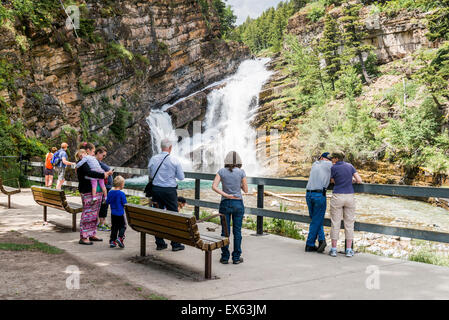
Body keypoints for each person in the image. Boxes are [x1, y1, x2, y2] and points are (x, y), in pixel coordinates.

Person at [147, 138, 185, 251]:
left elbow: (150, 173)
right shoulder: (174, 160)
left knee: (158, 216)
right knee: (173, 216)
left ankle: (160, 243)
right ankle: (175, 244)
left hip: (156, 191)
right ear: (170, 148)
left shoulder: (153, 159)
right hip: (169, 191)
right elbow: (181, 177)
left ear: (161, 147)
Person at [212, 151, 248, 265]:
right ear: (239, 161)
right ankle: (236, 257)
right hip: (238, 204)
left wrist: (225, 194)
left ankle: (225, 257)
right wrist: (239, 184)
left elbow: (214, 186)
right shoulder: (241, 172)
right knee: (237, 231)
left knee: (225, 231)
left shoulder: (221, 171)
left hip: (225, 203)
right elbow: (246, 190)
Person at [75, 146, 113, 245]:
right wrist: (103, 175)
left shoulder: (91, 161)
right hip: (87, 191)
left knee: (94, 214)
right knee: (87, 214)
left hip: (97, 191)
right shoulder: (83, 163)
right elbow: (89, 173)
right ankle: (84, 236)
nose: (93, 153)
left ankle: (91, 233)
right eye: (92, 151)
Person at [329, 151, 363, 258]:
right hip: (349, 196)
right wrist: (350, 180)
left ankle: (334, 249)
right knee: (349, 223)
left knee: (335, 222)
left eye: (332, 158)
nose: (331, 160)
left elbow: (332, 180)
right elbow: (359, 180)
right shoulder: (350, 166)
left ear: (336, 158)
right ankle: (348, 250)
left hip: (338, 196)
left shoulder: (333, 168)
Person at [305, 152, 332, 253]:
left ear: (321, 157)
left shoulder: (315, 164)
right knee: (316, 220)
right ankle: (309, 244)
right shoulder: (330, 166)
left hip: (308, 194)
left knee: (316, 219)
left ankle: (321, 240)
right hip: (319, 195)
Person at [107, 176, 127, 249]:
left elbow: (107, 201)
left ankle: (112, 241)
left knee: (114, 227)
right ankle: (120, 238)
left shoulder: (110, 192)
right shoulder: (121, 194)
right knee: (123, 226)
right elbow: (125, 204)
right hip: (120, 213)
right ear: (121, 184)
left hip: (113, 213)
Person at [96, 146, 113, 232]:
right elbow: (99, 174)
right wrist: (108, 172)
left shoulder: (98, 162)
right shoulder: (96, 162)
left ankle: (102, 222)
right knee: (104, 205)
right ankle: (101, 224)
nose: (104, 157)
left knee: (104, 205)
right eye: (103, 155)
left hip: (106, 186)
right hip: (104, 187)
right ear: (98, 153)